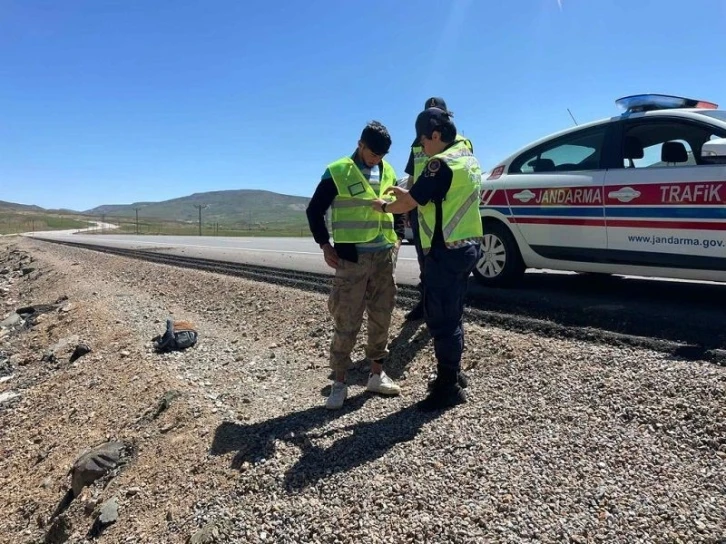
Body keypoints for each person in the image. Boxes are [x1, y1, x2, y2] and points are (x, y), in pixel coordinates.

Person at [372, 108, 483, 411]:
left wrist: (382, 206)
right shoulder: (467, 159)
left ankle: (447, 388)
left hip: (444, 252)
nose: (421, 147)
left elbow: (408, 202)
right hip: (467, 247)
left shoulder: (440, 165)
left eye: (423, 140)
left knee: (442, 321)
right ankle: (455, 375)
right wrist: (408, 194)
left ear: (436, 135)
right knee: (454, 314)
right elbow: (429, 195)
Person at [306, 121, 405, 410]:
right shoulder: (338, 170)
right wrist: (324, 244)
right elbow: (315, 209)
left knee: (381, 316)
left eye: (382, 155)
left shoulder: (388, 171)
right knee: (346, 319)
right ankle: (339, 383)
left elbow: (396, 206)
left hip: (384, 255)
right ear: (360, 144)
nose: (377, 160)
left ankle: (376, 375)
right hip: (351, 258)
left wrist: (397, 237)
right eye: (373, 153)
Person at [402, 97, 474, 321]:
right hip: (419, 207)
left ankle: (449, 313)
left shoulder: (462, 142)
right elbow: (413, 176)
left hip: (447, 209)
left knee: (449, 265)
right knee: (426, 263)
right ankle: (426, 305)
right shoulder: (417, 142)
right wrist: (407, 208)